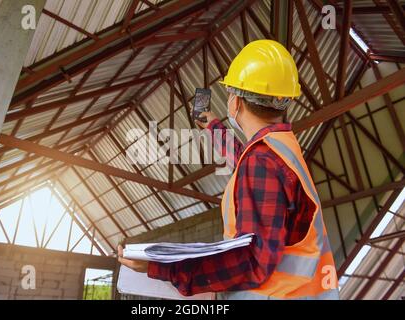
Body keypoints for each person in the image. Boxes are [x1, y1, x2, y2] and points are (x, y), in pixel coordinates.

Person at [118, 40, 339, 300]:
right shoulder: (280, 147)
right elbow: (248, 159)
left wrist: (163, 267)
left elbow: (253, 262)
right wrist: (212, 126)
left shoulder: (262, 160)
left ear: (237, 102)